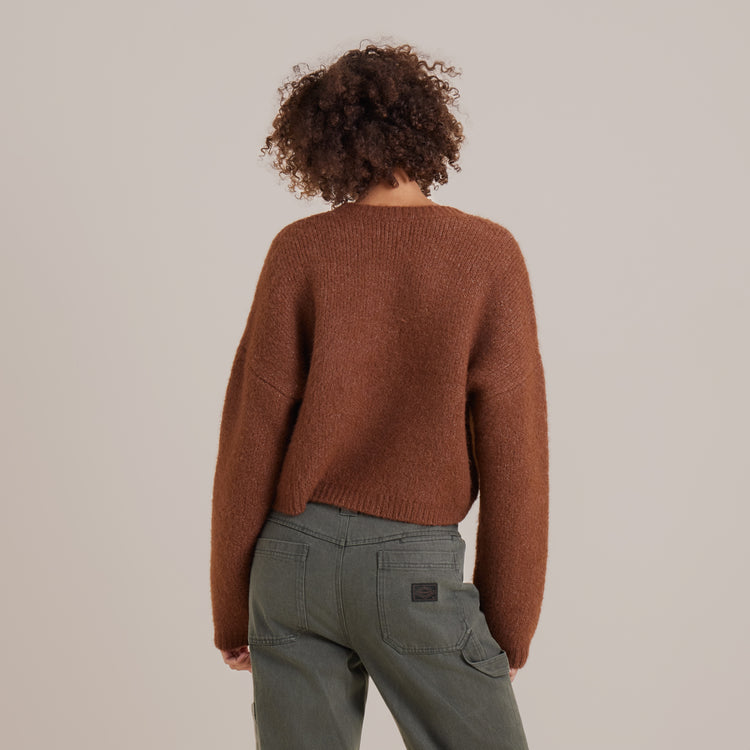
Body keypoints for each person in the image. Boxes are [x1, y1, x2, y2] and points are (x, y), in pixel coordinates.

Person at [210, 41, 549, 750]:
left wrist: (232, 608)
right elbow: (515, 452)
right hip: (413, 578)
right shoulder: (487, 254)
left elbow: (251, 434)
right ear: (428, 129)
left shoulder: (300, 248)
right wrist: (509, 625)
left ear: (322, 145)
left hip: (290, 567)